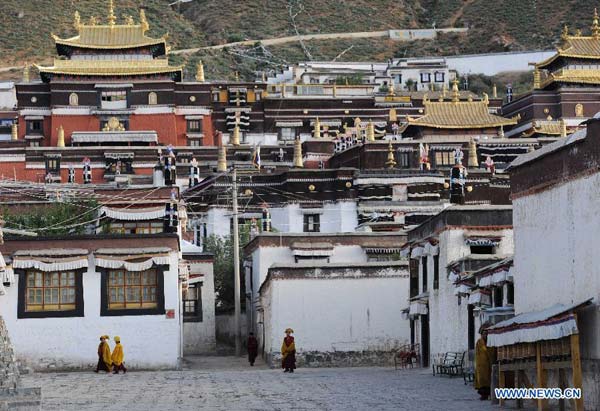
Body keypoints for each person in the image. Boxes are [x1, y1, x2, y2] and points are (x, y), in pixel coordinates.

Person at [474, 324, 496, 400]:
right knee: (482, 381)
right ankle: (484, 395)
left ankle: (490, 394)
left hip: (489, 364)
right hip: (481, 365)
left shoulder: (491, 342)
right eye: (484, 334)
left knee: (490, 380)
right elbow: (477, 354)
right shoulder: (479, 342)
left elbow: (492, 352)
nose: (485, 335)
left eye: (486, 334)